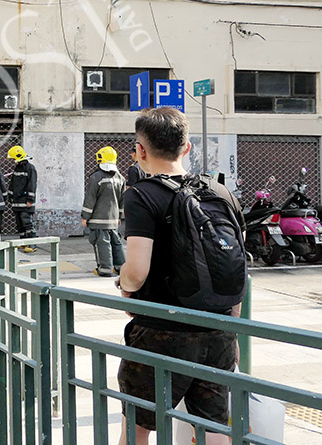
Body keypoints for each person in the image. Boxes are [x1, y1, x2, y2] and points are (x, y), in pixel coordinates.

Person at [117, 107, 242, 445]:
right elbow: (237, 267)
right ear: (187, 148)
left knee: (138, 424)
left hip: (162, 332)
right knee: (214, 426)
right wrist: (233, 329)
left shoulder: (141, 194)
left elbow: (137, 272)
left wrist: (123, 284)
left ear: (140, 150)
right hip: (218, 331)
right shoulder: (220, 193)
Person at [82, 146, 126, 277]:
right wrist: (119, 216)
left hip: (98, 219)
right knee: (116, 242)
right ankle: (120, 267)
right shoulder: (120, 178)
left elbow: (90, 198)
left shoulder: (96, 177)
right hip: (113, 220)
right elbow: (122, 200)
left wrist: (85, 216)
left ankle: (105, 269)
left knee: (102, 243)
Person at [8, 145, 38, 253]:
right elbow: (13, 184)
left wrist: (30, 199)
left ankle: (32, 243)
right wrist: (10, 195)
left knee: (27, 222)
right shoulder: (18, 168)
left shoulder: (30, 168)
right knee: (20, 223)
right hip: (17, 202)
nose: (13, 161)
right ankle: (23, 242)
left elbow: (32, 185)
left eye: (13, 159)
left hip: (25, 202)